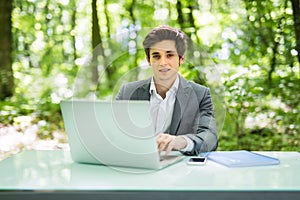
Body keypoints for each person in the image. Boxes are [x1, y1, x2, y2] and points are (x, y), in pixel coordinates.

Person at [116, 25, 218, 156]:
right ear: (148, 60)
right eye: (156, 56)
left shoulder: (200, 94)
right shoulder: (127, 92)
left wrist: (180, 142)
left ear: (181, 58)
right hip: (135, 163)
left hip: (178, 169)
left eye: (169, 55)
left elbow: (210, 137)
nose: (163, 62)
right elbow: (113, 131)